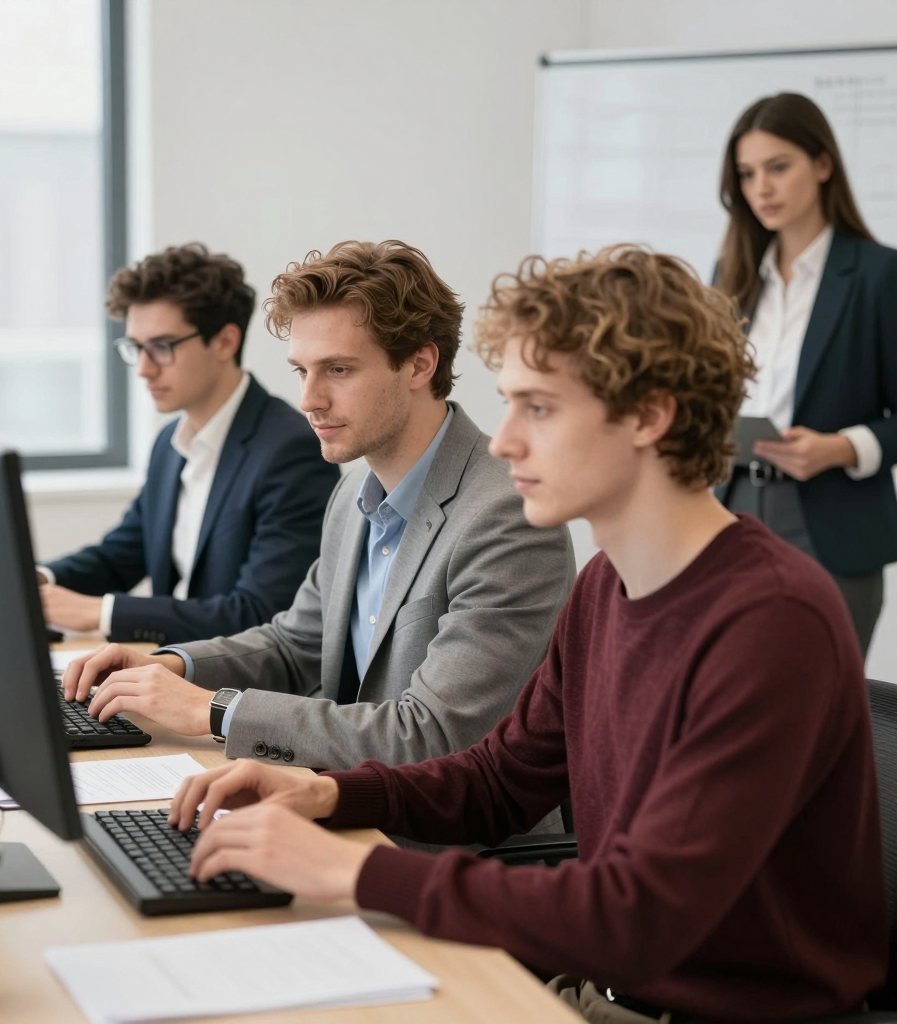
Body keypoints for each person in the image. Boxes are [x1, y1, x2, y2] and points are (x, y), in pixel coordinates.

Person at [166, 246, 886, 1023]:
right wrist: (326, 792)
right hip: (607, 993)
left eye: (538, 408)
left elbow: (640, 916)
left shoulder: (771, 621)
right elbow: (498, 781)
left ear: (649, 416)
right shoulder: (607, 586)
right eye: (508, 403)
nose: (503, 442)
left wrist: (358, 873)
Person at [64, 239, 575, 775]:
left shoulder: (507, 518)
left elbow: (431, 734)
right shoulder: (354, 493)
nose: (309, 399)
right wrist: (170, 665)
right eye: (300, 371)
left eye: (338, 370)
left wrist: (210, 710)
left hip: (439, 840)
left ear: (420, 364)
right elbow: (294, 645)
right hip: (335, 790)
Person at [38, 243, 339, 646]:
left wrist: (99, 612)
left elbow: (261, 613)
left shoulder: (291, 450)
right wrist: (36, 581)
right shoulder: (169, 443)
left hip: (236, 689)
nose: (144, 368)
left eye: (161, 347)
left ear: (225, 342)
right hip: (169, 668)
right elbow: (122, 554)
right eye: (136, 348)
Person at [715, 92, 897, 656]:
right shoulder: (732, 274)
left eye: (778, 167)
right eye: (747, 174)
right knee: (733, 692)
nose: (761, 188)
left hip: (829, 518)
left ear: (822, 165)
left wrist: (842, 447)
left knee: (821, 707)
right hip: (731, 505)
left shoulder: (876, 273)